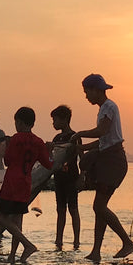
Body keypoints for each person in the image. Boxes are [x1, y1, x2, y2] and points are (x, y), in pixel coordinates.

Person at [71, 73, 133, 262]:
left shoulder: (109, 106)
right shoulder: (102, 109)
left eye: (87, 92)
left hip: (113, 161)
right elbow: (102, 140)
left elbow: (102, 132)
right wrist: (81, 147)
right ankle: (96, 252)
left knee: (99, 206)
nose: (86, 96)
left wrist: (80, 133)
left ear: (96, 90)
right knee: (100, 207)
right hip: (106, 158)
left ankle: (127, 242)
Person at [0, 107, 53, 263]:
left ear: (19, 122)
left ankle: (27, 245)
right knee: (17, 220)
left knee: (0, 217)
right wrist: (50, 151)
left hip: (12, 183)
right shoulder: (39, 142)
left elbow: (7, 161)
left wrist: (7, 146)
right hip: (26, 183)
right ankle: (13, 256)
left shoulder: (16, 139)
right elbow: (49, 164)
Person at [50, 105, 81, 250]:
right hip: (59, 178)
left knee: (73, 209)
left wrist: (83, 176)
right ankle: (59, 241)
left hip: (71, 177)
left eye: (55, 120)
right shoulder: (56, 138)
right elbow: (53, 158)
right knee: (60, 209)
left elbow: (81, 157)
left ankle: (76, 241)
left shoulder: (74, 137)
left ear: (64, 119)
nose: (53, 123)